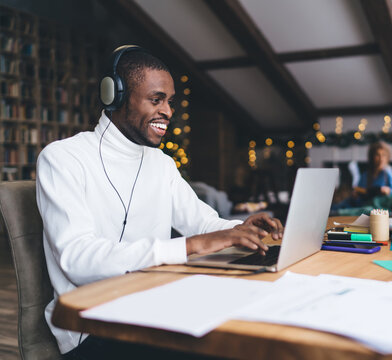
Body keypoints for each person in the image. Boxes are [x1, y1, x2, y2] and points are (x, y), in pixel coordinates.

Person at [36, 45, 283, 359]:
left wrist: (242, 229)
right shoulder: (63, 158)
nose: (168, 111)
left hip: (155, 308)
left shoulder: (161, 163)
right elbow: (77, 259)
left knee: (254, 326)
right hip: (93, 328)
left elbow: (203, 223)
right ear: (116, 95)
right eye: (156, 100)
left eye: (169, 101)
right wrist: (189, 246)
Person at [331, 141, 392, 211]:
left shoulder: (388, 174)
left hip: (375, 205)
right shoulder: (366, 175)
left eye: (384, 155)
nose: (381, 159)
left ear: (388, 157)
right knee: (340, 206)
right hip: (361, 203)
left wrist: (388, 191)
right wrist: (356, 195)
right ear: (372, 157)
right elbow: (360, 192)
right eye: (377, 155)